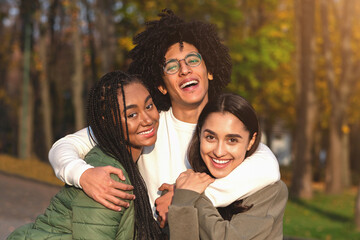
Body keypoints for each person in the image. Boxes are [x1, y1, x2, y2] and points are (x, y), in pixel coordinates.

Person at [48, 9, 280, 227]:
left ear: (209, 70)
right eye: (171, 66)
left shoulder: (228, 127)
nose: (184, 70)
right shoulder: (147, 123)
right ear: (160, 85)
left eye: (193, 60)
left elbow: (268, 167)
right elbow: (64, 146)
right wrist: (83, 174)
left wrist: (185, 200)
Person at [7, 71, 163, 240]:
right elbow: (62, 146)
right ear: (108, 121)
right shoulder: (108, 178)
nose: (147, 119)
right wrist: (82, 174)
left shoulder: (122, 160)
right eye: (132, 114)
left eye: (149, 106)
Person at [168, 93, 288, 240]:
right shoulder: (189, 180)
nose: (219, 152)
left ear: (251, 140)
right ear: (200, 134)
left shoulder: (270, 191)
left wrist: (190, 197)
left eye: (232, 140)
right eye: (210, 137)